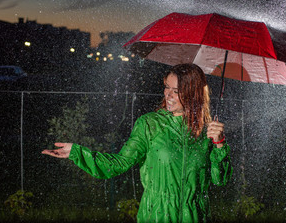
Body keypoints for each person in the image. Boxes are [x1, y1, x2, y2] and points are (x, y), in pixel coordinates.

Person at [42, 63, 232, 222]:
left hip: (196, 216)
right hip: (157, 215)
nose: (168, 95)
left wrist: (220, 144)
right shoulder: (150, 124)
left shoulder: (207, 131)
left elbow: (220, 180)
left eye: (176, 91)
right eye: (167, 87)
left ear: (193, 93)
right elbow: (119, 163)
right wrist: (77, 153)